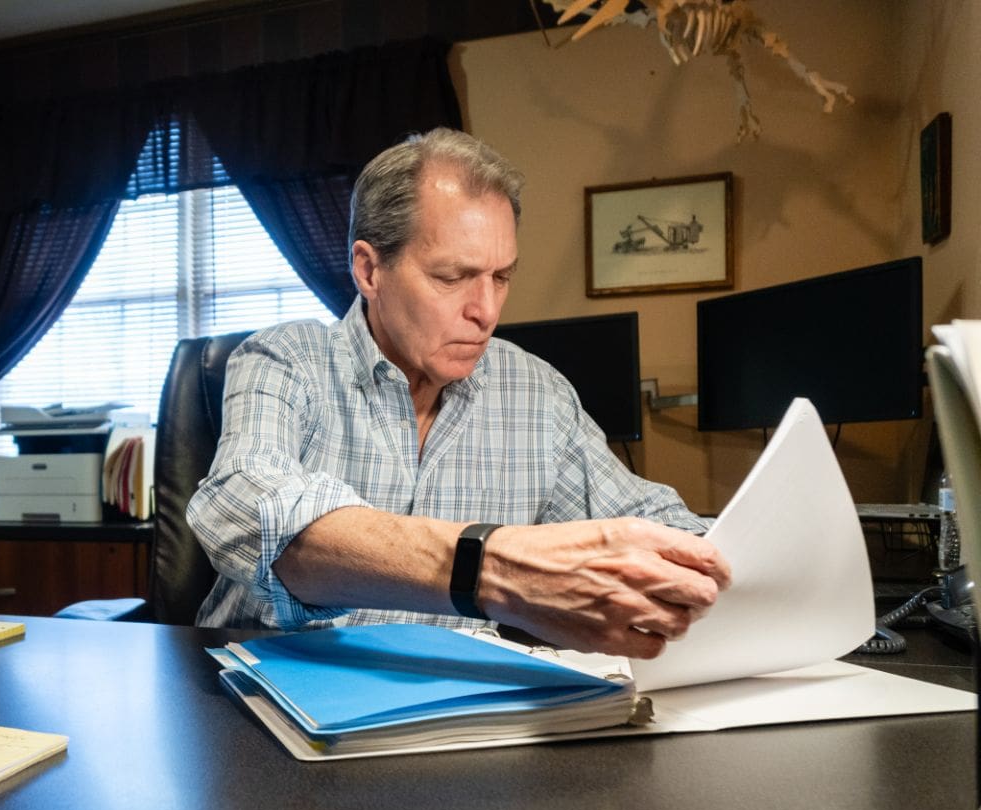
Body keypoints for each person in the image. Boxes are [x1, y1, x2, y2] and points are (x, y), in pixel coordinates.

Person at [186, 128, 730, 658]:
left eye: (501, 277)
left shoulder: (536, 391)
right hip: (270, 693)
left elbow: (646, 518)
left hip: (458, 708)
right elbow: (246, 508)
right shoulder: (285, 360)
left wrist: (724, 555)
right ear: (369, 269)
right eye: (452, 277)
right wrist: (494, 568)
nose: (486, 311)